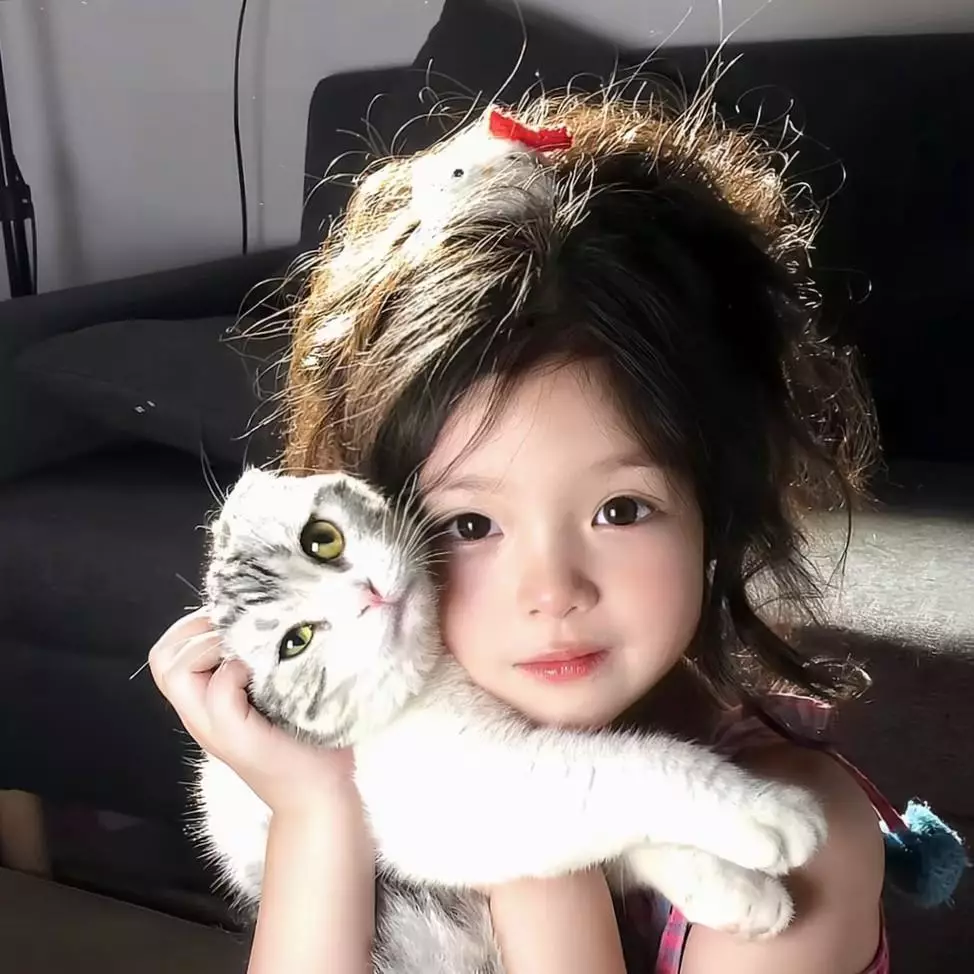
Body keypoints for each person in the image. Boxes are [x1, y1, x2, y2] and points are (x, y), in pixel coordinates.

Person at [151, 86, 893, 973]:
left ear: (716, 509)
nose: (553, 591)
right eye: (470, 523)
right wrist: (318, 811)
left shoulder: (793, 839)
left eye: (621, 509)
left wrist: (522, 828)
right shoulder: (385, 761)